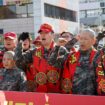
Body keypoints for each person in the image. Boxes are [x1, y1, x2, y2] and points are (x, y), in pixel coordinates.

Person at [48, 29, 97, 95]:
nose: (82, 41)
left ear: (93, 41)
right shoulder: (71, 56)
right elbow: (52, 63)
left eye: (85, 39)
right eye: (81, 38)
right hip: (72, 98)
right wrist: (57, 47)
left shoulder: (98, 57)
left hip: (93, 99)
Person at [15, 23, 61, 93]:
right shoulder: (34, 52)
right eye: (41, 33)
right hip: (39, 95)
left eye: (46, 33)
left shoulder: (60, 50)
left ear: (52, 35)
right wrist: (19, 44)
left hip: (56, 95)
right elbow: (19, 61)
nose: (43, 35)